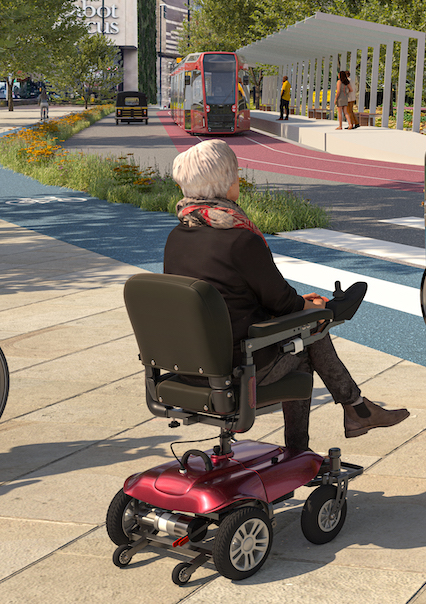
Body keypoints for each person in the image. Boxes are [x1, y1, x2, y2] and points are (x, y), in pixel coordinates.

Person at [163, 139, 408, 455]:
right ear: (221, 181)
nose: (239, 178)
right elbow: (284, 304)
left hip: (187, 366)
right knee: (309, 336)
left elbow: (226, 296)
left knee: (306, 321)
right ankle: (324, 432)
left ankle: (356, 410)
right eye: (235, 173)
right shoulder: (238, 238)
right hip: (235, 367)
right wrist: (314, 308)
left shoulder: (176, 236)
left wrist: (297, 305)